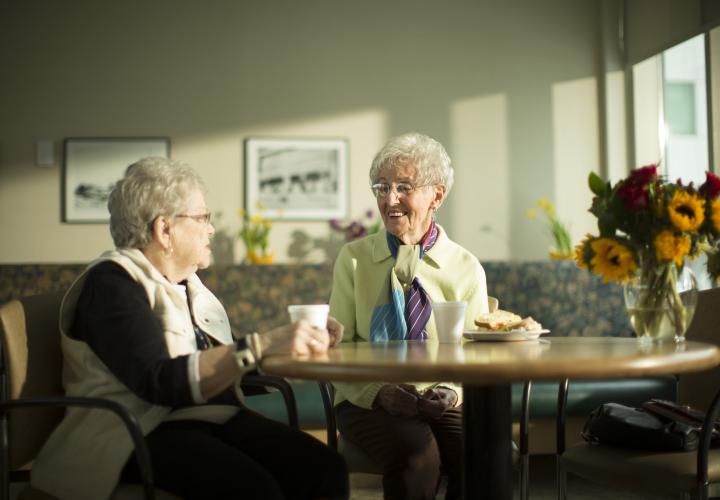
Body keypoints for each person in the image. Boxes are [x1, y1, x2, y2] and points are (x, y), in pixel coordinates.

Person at [31, 157, 349, 500]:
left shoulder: (188, 284)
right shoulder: (113, 285)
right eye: (202, 218)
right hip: (134, 432)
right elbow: (160, 381)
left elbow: (217, 361)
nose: (211, 229)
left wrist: (282, 345)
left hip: (208, 418)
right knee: (255, 490)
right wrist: (260, 345)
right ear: (164, 229)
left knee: (323, 468)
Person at [329, 132, 489, 500]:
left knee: (479, 453)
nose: (390, 199)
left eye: (404, 187)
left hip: (441, 395)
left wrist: (450, 391)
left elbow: (480, 355)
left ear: (437, 195)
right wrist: (378, 392)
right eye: (382, 187)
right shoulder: (353, 259)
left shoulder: (465, 267)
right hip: (364, 397)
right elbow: (338, 349)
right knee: (419, 455)